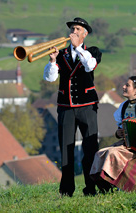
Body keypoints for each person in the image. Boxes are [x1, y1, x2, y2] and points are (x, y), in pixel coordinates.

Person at [43, 17, 102, 197]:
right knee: (66, 149)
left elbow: (89, 66)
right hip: (65, 107)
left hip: (87, 107)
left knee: (90, 148)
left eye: (77, 29)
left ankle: (90, 188)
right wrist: (53, 61)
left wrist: (77, 48)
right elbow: (50, 78)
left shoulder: (92, 51)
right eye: (72, 29)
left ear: (84, 34)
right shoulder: (61, 54)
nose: (73, 32)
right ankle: (66, 191)